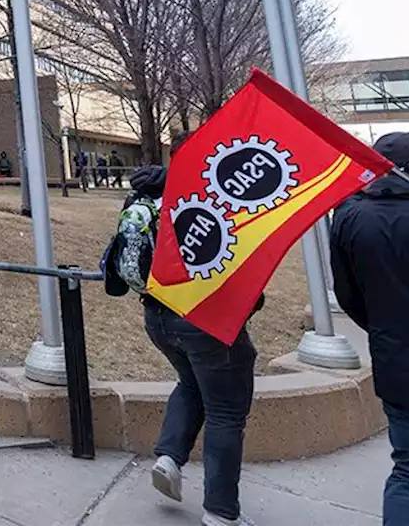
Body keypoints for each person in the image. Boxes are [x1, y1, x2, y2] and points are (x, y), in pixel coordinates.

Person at [123, 137, 257, 526]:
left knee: (191, 383)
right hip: (205, 318)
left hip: (157, 317)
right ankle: (220, 511)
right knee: (227, 413)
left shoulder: (146, 195)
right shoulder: (214, 199)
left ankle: (169, 457)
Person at [331, 132, 409, 525]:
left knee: (407, 469)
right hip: (394, 352)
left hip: (394, 359)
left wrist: (383, 326)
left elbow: (347, 295)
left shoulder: (347, 214)